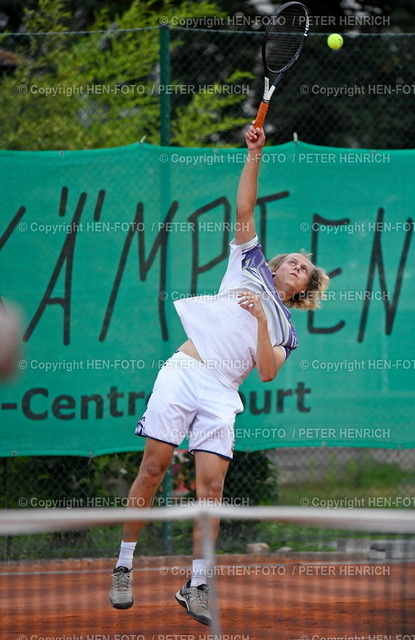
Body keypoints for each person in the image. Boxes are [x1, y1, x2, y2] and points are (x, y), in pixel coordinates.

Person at [109, 124, 329, 626]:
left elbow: (268, 373)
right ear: (274, 266)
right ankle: (123, 566)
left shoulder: (286, 327)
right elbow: (246, 208)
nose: (295, 266)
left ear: (301, 290)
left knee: (211, 488)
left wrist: (258, 320)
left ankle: (198, 584)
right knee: (154, 467)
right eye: (292, 261)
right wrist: (254, 154)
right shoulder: (247, 263)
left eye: (303, 271)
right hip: (186, 369)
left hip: (222, 392)